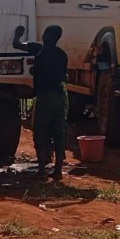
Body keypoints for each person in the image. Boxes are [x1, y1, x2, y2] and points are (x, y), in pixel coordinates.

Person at [24, 25, 69, 182]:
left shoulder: (39, 50)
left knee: (40, 131)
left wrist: (17, 34)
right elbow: (64, 76)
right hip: (59, 96)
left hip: (45, 97)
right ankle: (58, 170)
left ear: (48, 36)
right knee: (58, 132)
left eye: (44, 33)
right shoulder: (62, 55)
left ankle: (42, 171)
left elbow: (17, 45)